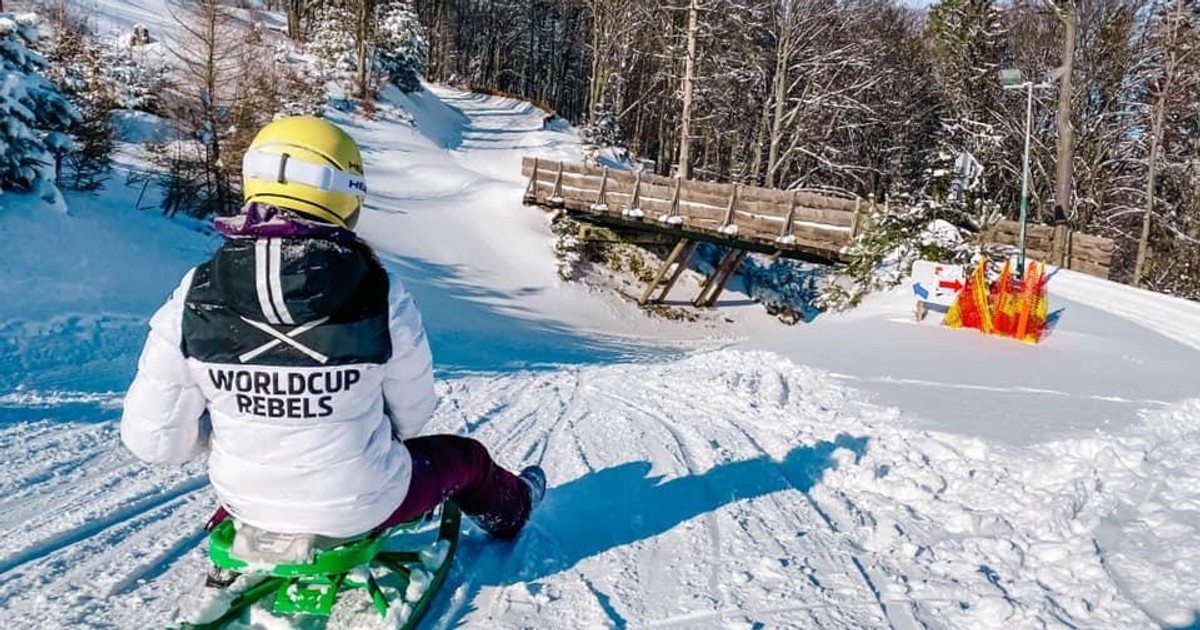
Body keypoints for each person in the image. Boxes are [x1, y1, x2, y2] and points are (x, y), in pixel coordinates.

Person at [120, 115, 544, 544]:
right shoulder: (378, 291)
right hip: (366, 502)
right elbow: (412, 415)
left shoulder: (195, 293)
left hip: (245, 500)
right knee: (465, 458)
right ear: (346, 195)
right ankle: (514, 507)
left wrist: (246, 425)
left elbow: (155, 441)